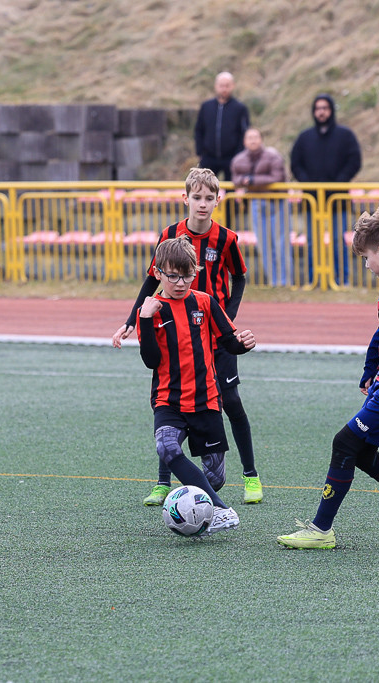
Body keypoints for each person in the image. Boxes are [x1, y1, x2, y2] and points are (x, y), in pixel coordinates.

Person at [277, 207, 379, 549]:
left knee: (345, 443)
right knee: (362, 453)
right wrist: (370, 368)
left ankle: (321, 530)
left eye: (366, 257)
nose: (366, 264)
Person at [112, 168, 263, 506]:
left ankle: (250, 476)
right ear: (186, 199)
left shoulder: (227, 239)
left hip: (215, 329)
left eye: (209, 198)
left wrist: (228, 319)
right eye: (197, 197)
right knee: (172, 399)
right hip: (175, 329)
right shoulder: (169, 236)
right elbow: (151, 281)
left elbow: (239, 278)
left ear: (218, 200)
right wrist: (133, 320)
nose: (203, 204)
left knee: (231, 400)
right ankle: (163, 482)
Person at [134, 237, 255, 536]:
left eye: (187, 276)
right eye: (173, 276)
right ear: (158, 273)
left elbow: (228, 342)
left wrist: (243, 344)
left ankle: (201, 505)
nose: (180, 283)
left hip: (206, 400)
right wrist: (146, 319)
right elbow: (151, 361)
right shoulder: (151, 310)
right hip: (169, 400)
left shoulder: (204, 302)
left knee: (214, 478)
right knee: (166, 446)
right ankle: (222, 510)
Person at [290, 94, 362, 286]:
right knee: (312, 241)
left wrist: (338, 183)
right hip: (311, 199)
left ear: (331, 110)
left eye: (325, 108)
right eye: (318, 108)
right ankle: (313, 279)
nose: (321, 112)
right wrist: (308, 183)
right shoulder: (304, 138)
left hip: (337, 199)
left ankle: (342, 280)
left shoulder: (345, 136)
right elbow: (295, 164)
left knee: (338, 241)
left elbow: (354, 161)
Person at [231, 128, 290, 286]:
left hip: (277, 202)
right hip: (256, 202)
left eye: (256, 137)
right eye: (249, 137)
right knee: (264, 244)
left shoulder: (273, 155)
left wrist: (251, 181)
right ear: (244, 141)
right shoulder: (239, 159)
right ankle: (273, 281)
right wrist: (246, 181)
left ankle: (286, 281)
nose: (253, 140)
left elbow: (277, 177)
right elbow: (235, 178)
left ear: (261, 139)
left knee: (281, 243)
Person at [194, 72, 250, 181]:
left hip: (232, 158)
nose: (224, 89)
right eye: (221, 85)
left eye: (227, 86)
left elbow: (244, 133)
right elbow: (199, 130)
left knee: (231, 188)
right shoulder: (206, 107)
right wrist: (200, 152)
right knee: (203, 185)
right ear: (216, 86)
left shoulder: (240, 108)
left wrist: (239, 154)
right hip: (208, 157)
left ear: (233, 86)